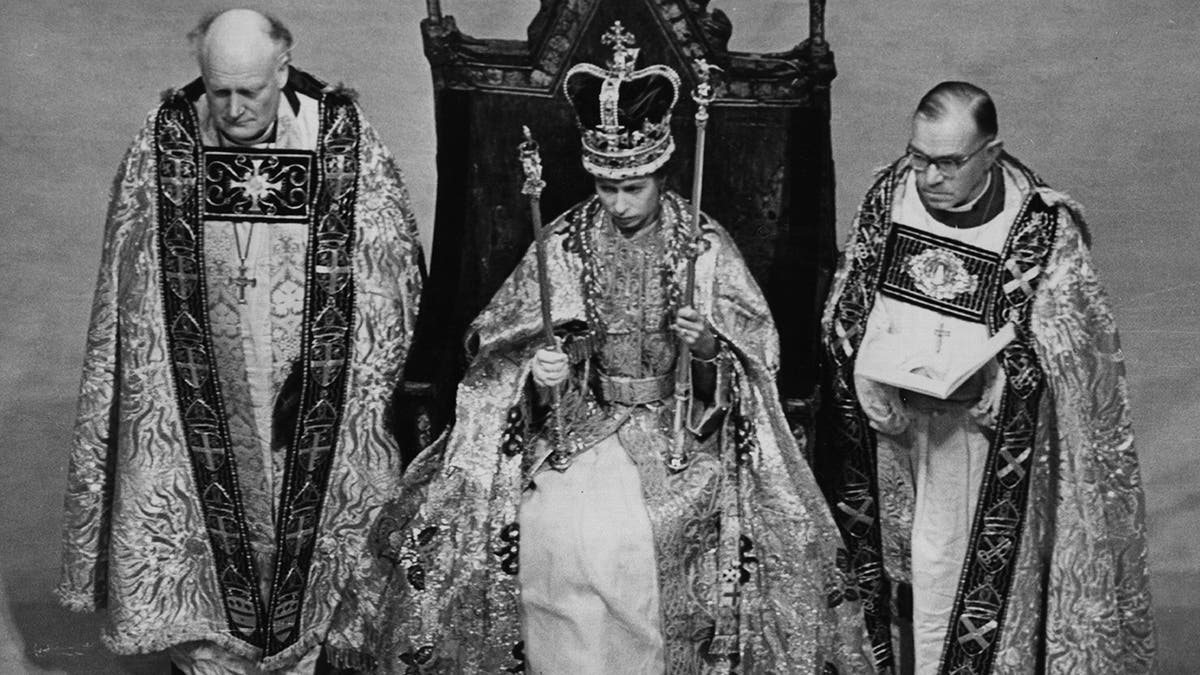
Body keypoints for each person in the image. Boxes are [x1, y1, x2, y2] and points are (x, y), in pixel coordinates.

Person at [325, 22, 867, 674]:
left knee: (635, 541)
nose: (618, 202)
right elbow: (503, 341)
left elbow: (754, 356)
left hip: (681, 433)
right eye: (606, 187)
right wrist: (542, 371)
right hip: (581, 427)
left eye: (632, 187)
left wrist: (704, 353)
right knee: (545, 529)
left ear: (662, 172)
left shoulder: (703, 246)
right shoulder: (566, 242)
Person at [58, 9, 424, 673]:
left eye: (248, 92)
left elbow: (387, 274)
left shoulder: (339, 137)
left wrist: (330, 365)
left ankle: (315, 635)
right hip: (203, 380)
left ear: (281, 69)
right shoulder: (165, 141)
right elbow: (131, 286)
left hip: (309, 382)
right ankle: (210, 641)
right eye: (217, 91)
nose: (231, 109)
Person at [816, 81, 1155, 674]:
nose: (928, 177)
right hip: (890, 437)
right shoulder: (889, 197)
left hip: (980, 446)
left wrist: (1001, 380)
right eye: (919, 157)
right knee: (900, 580)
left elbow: (1075, 358)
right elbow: (848, 303)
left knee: (946, 578)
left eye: (948, 163)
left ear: (991, 154)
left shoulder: (1040, 231)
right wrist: (866, 368)